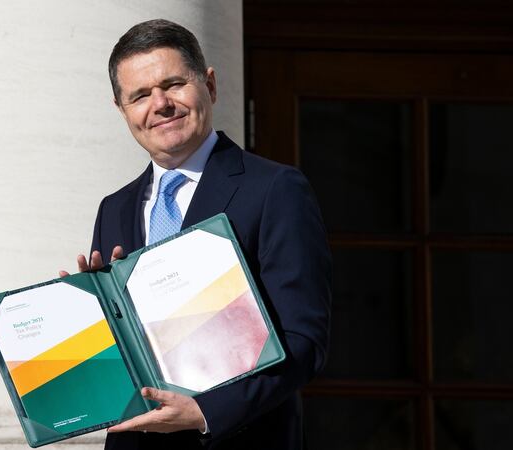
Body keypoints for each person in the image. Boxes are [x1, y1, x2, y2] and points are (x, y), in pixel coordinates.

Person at [60, 19, 331, 450]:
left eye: (174, 84)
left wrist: (207, 413)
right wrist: (89, 319)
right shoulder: (114, 208)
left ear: (210, 85)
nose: (160, 104)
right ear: (121, 109)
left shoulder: (275, 189)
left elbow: (304, 340)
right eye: (140, 96)